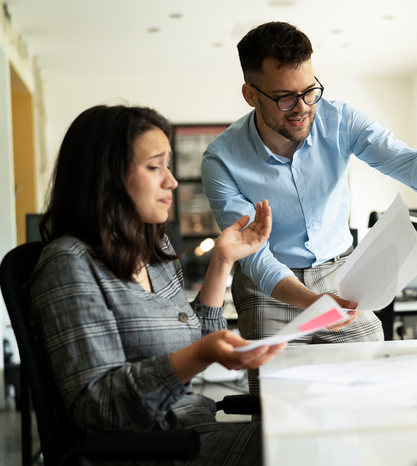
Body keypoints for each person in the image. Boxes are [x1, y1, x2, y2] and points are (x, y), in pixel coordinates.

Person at [200, 21, 417, 378]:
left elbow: (404, 159)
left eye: (310, 91)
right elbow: (253, 256)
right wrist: (310, 302)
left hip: (339, 273)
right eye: (285, 97)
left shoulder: (338, 120)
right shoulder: (222, 159)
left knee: (371, 380)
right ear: (251, 94)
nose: (303, 107)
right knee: (280, 403)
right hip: (270, 288)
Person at [28, 104, 285, 466]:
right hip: (153, 450)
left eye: (168, 165)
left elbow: (195, 339)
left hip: (195, 429)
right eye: (154, 167)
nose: (172, 181)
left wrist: (223, 261)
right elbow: (98, 408)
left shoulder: (154, 251)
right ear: (107, 177)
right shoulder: (68, 264)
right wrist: (200, 355)